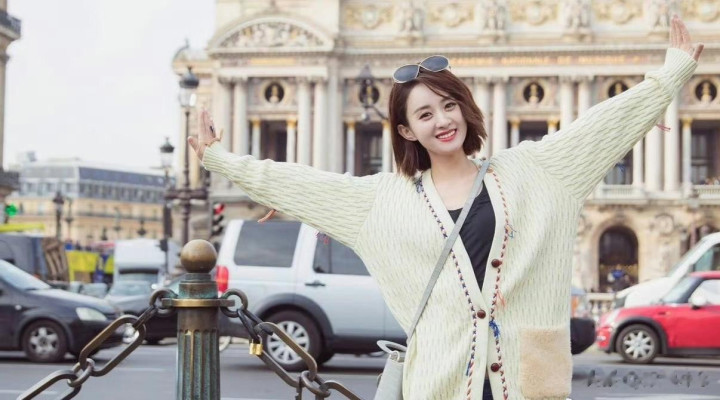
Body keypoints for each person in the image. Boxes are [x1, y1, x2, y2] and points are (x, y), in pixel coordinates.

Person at [189, 15, 702, 400]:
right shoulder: (386, 200)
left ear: (465, 109)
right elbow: (307, 184)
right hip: (440, 384)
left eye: (449, 105)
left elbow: (599, 127)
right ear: (408, 130)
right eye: (425, 114)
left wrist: (668, 79)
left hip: (527, 382)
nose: (442, 120)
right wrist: (221, 160)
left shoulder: (533, 171)